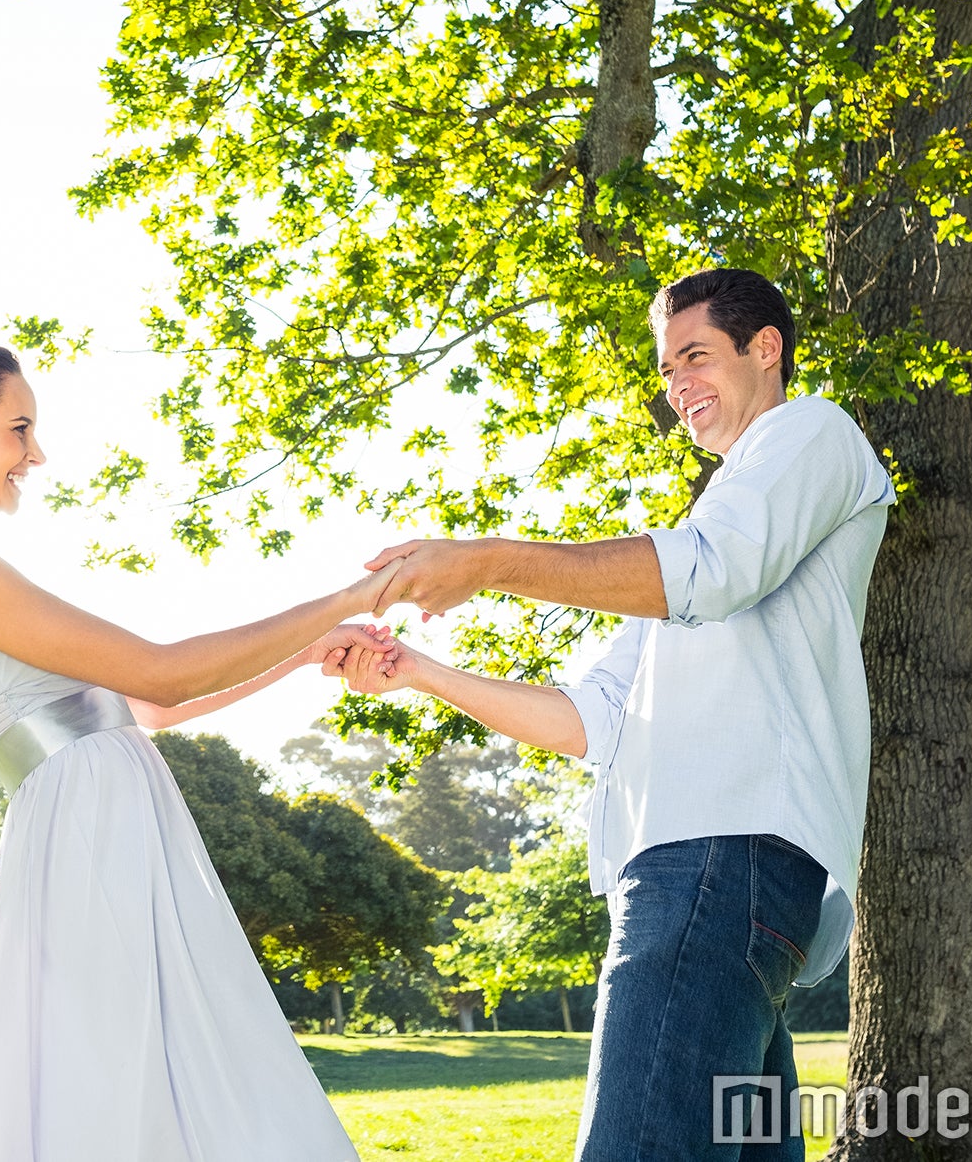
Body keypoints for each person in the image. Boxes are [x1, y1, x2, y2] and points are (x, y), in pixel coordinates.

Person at [0, 328, 396, 1162]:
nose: (36, 452)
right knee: (131, 1079)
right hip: (93, 825)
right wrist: (353, 593)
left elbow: (137, 708)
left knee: (158, 1069)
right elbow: (162, 675)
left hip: (96, 815)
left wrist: (305, 652)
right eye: (18, 427)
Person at [338, 269, 895, 1160]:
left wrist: (482, 561)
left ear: (767, 349)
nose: (679, 388)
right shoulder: (696, 546)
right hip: (706, 876)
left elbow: (712, 571)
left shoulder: (811, 435)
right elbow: (589, 720)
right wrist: (419, 672)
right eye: (668, 370)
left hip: (718, 864)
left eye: (696, 357)